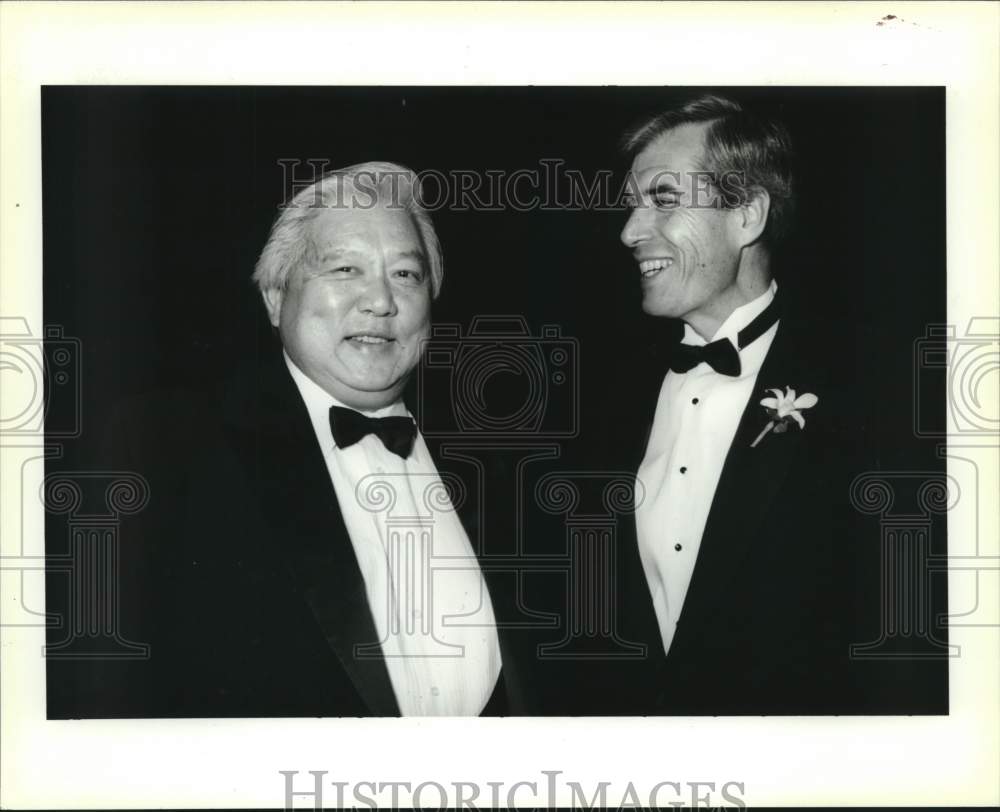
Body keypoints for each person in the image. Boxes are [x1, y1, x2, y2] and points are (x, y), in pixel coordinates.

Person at [84, 162, 531, 717]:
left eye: (406, 275)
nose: (381, 301)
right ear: (275, 297)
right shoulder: (165, 447)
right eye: (345, 269)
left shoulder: (504, 461)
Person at [608, 94, 946, 714]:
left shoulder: (878, 391)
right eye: (631, 205)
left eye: (661, 198)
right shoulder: (608, 395)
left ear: (748, 215)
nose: (630, 230)